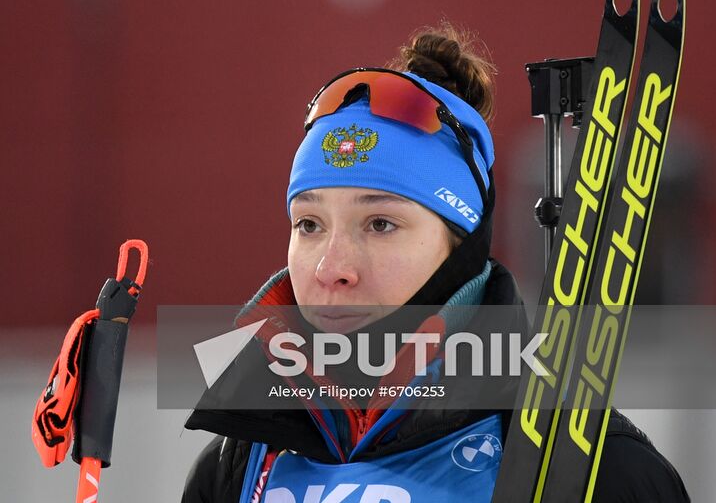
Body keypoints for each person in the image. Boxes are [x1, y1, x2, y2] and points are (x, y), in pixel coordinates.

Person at [182, 26, 690, 502]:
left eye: (380, 223)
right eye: (309, 224)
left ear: (459, 246)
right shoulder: (239, 461)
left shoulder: (592, 467)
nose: (330, 268)